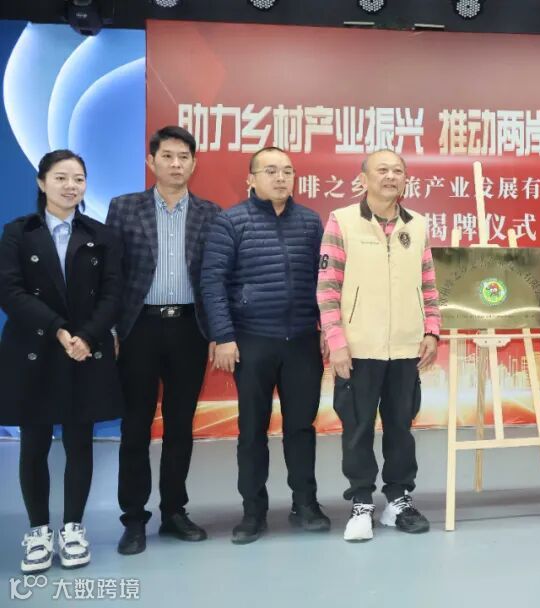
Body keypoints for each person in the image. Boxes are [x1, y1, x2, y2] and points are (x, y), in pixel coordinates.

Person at [0, 150, 122, 572]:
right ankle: (38, 531)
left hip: (85, 350)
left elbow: (113, 293)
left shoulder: (101, 235)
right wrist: (56, 329)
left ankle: (73, 528)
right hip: (34, 349)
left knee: (79, 443)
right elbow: (10, 291)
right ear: (42, 182)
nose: (71, 186)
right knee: (33, 444)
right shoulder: (18, 232)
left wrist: (88, 336)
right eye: (61, 178)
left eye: (79, 179)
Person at [201, 146, 329, 544]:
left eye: (287, 171)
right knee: (252, 430)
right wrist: (224, 336)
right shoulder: (231, 221)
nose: (280, 178)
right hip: (253, 339)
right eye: (270, 170)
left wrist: (327, 327)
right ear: (251, 179)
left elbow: (324, 282)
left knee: (301, 428)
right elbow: (212, 282)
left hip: (302, 340)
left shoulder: (310, 221)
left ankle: (305, 503)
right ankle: (253, 512)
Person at [108, 126, 221, 555]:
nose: (176, 164)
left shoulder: (210, 213)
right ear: (151, 161)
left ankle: (174, 511)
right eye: (168, 156)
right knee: (135, 425)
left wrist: (218, 332)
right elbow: (112, 275)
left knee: (180, 425)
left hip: (189, 330)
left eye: (184, 157)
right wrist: (113, 330)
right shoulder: (125, 208)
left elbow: (215, 278)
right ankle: (134, 518)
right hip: (139, 328)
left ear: (194, 163)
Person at [318, 149, 440, 541]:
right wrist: (337, 342)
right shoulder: (342, 221)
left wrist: (431, 330)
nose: (390, 176)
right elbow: (327, 287)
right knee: (357, 430)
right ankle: (361, 504)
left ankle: (398, 500)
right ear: (364, 179)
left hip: (405, 348)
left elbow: (428, 283)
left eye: (397, 171)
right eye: (382, 170)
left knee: (401, 429)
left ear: (405, 179)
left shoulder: (416, 225)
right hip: (358, 349)